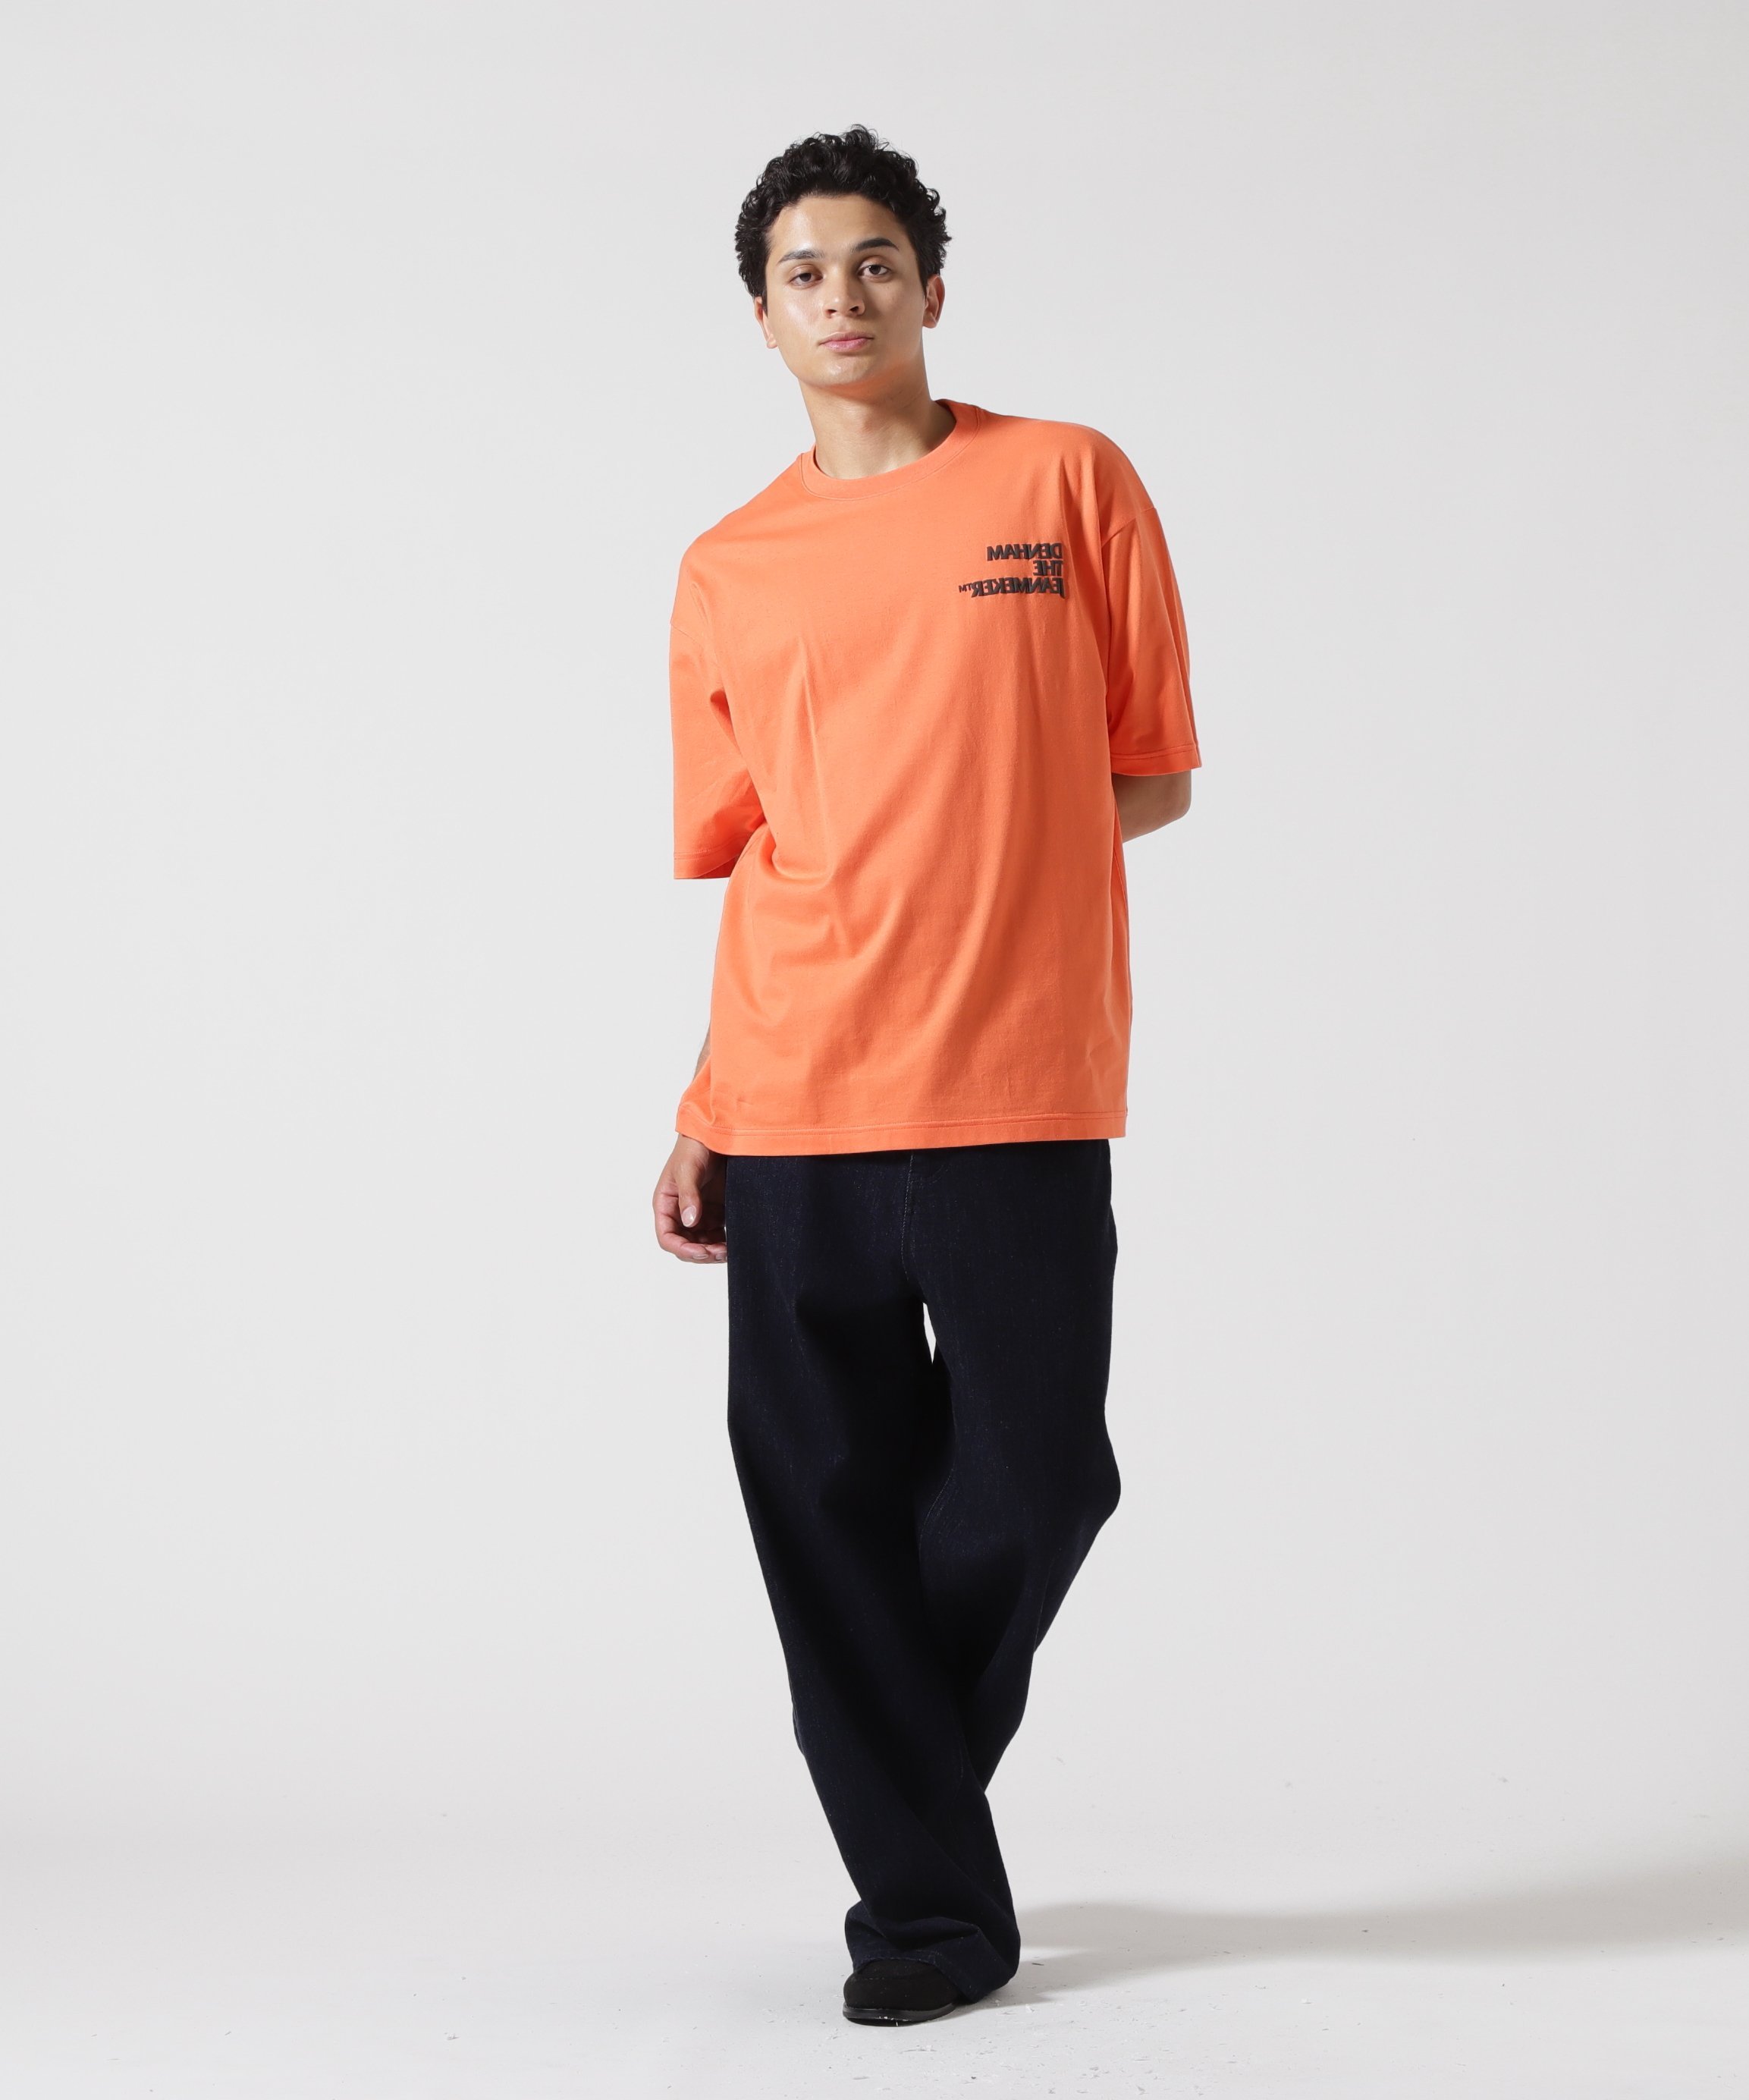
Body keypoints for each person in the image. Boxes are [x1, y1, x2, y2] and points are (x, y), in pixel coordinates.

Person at [649, 124, 1201, 2026]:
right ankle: (930, 1914)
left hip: (1019, 1081)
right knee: (821, 1502)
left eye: (876, 261)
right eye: (804, 271)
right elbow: (765, 854)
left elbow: (1150, 772)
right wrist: (704, 1105)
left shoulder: (1063, 481)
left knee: (1041, 1479)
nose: (843, 295)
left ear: (932, 289)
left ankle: (900, 1788)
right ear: (761, 317)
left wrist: (996, 853)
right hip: (795, 1092)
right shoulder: (727, 566)